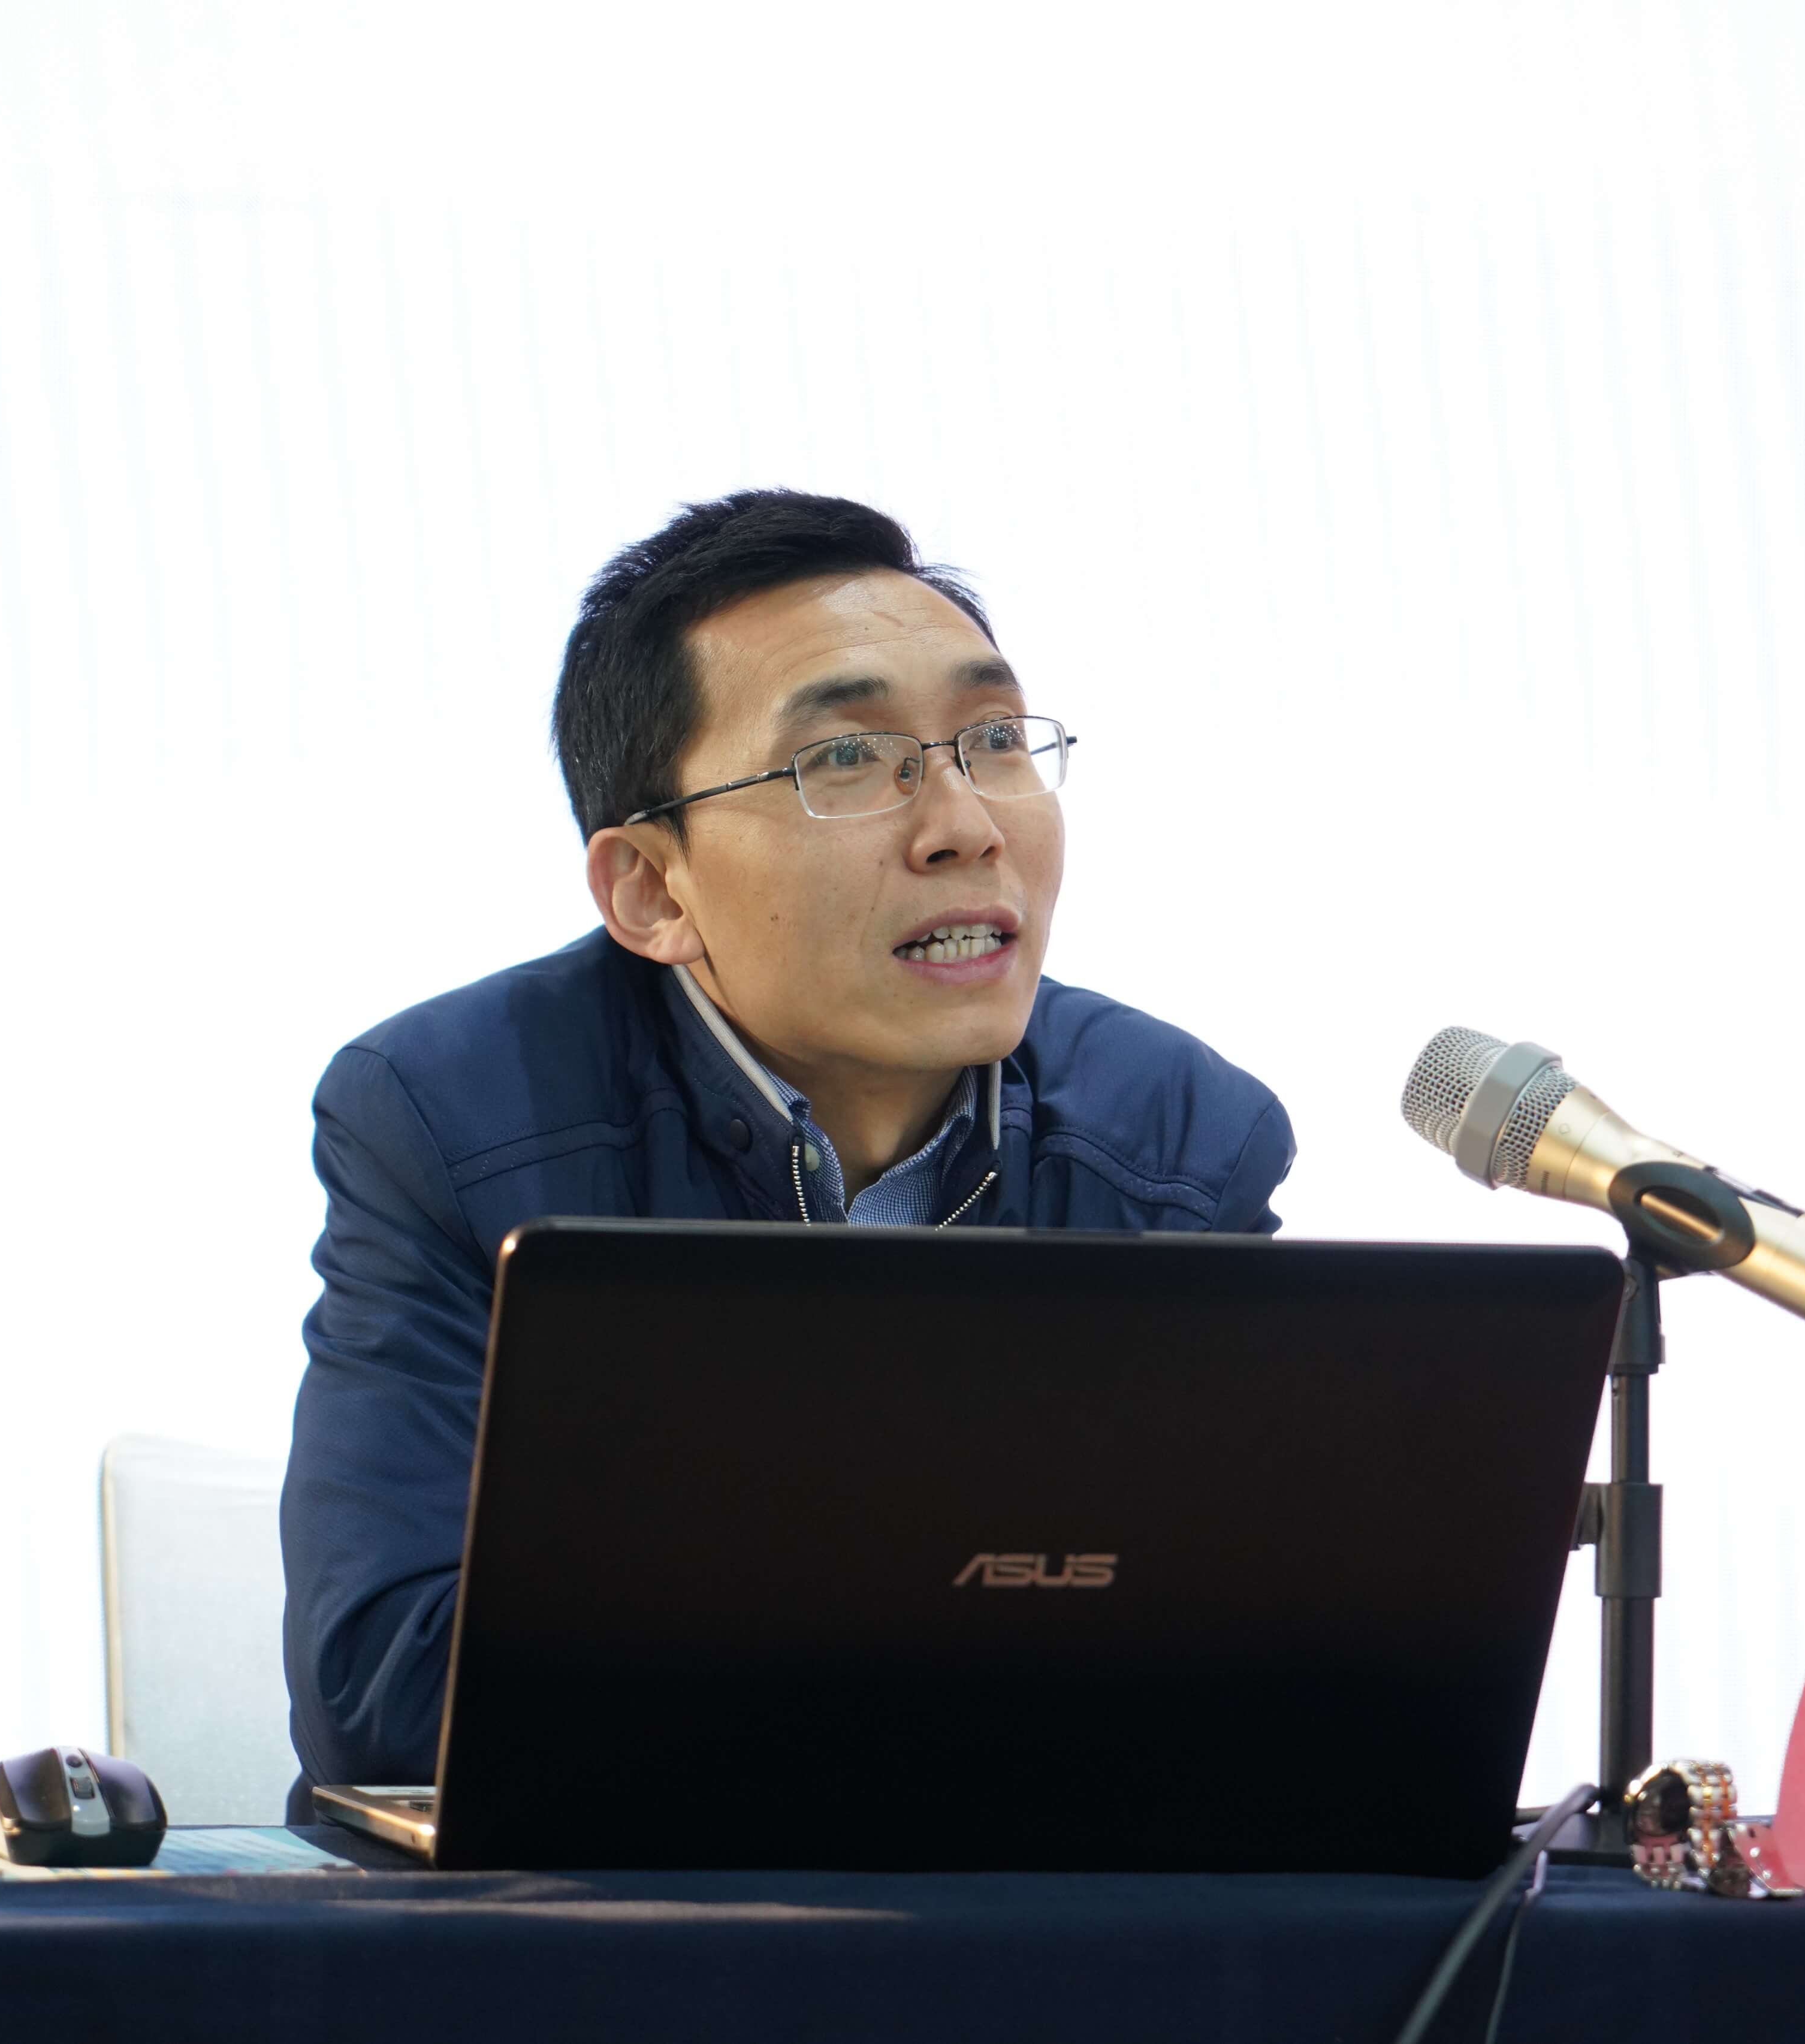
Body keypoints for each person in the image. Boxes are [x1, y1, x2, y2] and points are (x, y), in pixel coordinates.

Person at [281, 490, 1294, 1803]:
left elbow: (1278, 1663)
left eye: (995, 740)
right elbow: (386, 1697)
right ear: (653, 888)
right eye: (848, 759)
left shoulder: (1181, 1139)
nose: (967, 824)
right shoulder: (453, 1118)